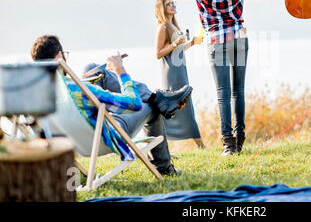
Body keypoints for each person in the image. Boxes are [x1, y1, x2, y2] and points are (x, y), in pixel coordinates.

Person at [131, 0, 310, 156]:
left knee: (223, 93)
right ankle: (241, 138)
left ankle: (228, 144)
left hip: (216, 42)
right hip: (238, 39)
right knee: (239, 92)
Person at [30, 34, 193, 176]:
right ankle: (163, 166)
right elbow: (134, 104)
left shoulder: (36, 96)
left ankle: (160, 97)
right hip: (106, 137)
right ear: (59, 57)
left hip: (77, 141)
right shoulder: (80, 90)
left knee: (92, 69)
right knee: (153, 104)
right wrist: (120, 72)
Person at [154, 0, 205, 148]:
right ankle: (199, 145)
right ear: (162, 9)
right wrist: (176, 42)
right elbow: (158, 53)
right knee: (174, 107)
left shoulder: (173, 25)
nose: (173, 5)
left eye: (173, 2)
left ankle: (199, 144)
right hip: (171, 74)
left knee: (186, 107)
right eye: (169, 4)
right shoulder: (162, 27)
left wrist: (193, 42)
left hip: (180, 70)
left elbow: (178, 50)